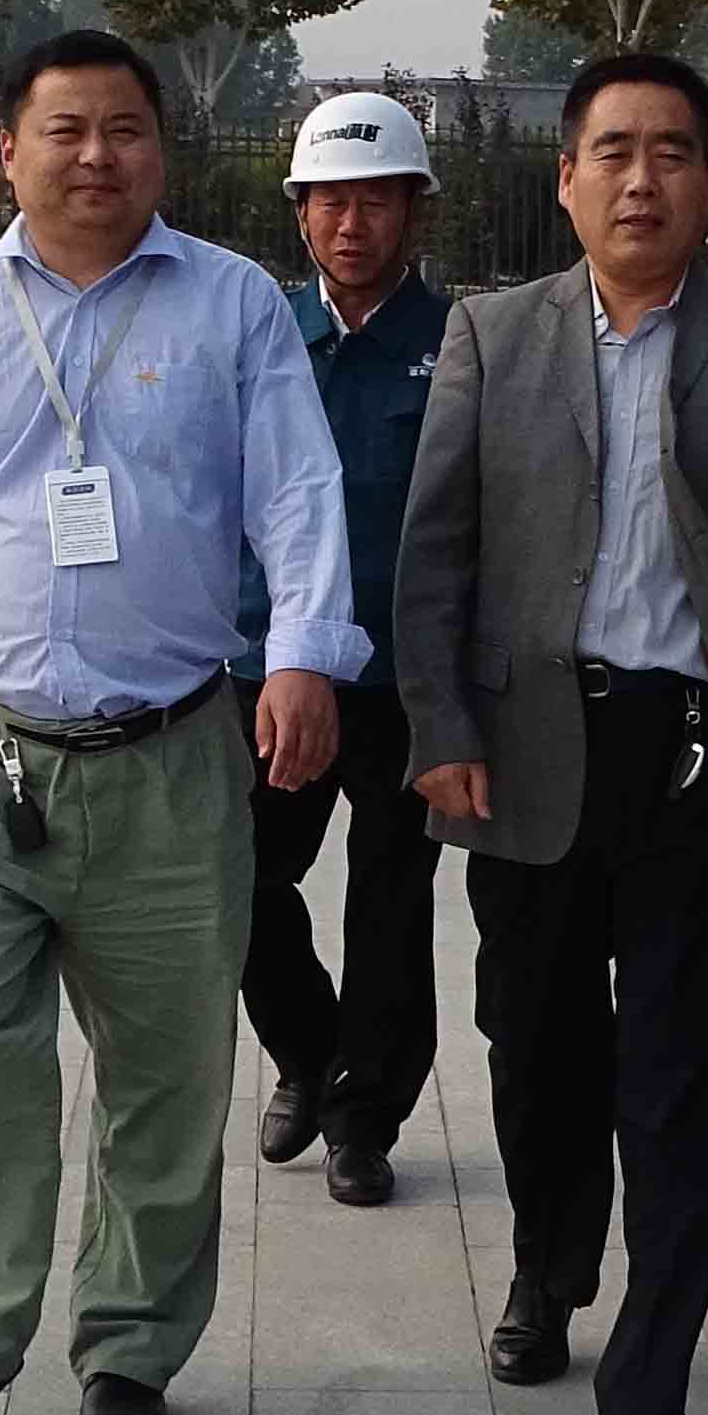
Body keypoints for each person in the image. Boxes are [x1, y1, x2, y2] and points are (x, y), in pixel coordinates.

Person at [0, 27, 359, 1415]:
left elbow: (299, 498)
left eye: (124, 129)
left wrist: (305, 656)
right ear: (10, 152)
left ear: (161, 152)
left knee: (167, 1073)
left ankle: (130, 1344)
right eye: (65, 130)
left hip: (172, 753)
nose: (96, 155)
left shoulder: (234, 308)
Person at [392, 51, 708, 1415]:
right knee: (535, 1049)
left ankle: (653, 1384)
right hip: (526, 752)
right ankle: (549, 1263)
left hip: (693, 761)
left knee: (680, 1081)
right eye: (614, 152)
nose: (641, 180)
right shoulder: (491, 335)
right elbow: (436, 557)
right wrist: (441, 728)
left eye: (671, 153)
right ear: (567, 180)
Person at [238, 89, 456, 1208]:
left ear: (415, 213)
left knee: (390, 901)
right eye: (329, 202)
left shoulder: (461, 345)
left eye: (376, 202)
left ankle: (364, 1120)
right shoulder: (259, 332)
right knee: (236, 877)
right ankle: (309, 1052)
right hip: (267, 667)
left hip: (402, 679)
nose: (351, 224)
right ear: (301, 213)